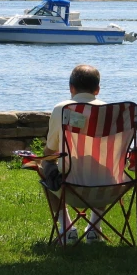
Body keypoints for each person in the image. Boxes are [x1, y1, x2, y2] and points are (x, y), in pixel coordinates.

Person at [42, 64, 105, 244]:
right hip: (106, 186)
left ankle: (67, 228)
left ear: (71, 88)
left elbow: (50, 150)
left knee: (45, 165)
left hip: (70, 186)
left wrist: (44, 159)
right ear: (97, 90)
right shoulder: (111, 111)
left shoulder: (62, 109)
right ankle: (94, 228)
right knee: (102, 167)